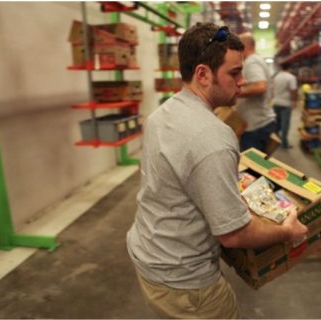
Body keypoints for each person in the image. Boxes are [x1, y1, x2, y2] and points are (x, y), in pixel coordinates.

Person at [126, 23, 308, 319]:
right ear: (202, 74)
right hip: (186, 284)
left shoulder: (162, 114)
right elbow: (234, 236)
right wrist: (286, 231)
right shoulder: (214, 137)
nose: (242, 81)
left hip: (148, 254)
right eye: (234, 72)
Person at [235, 33, 276, 152]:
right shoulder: (256, 60)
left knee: (252, 169)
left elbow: (260, 86)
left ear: (243, 46)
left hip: (256, 127)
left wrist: (234, 92)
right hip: (258, 125)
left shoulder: (251, 61)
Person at [272, 63, 298, 149]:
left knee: (277, 124)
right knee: (285, 124)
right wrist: (294, 102)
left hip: (276, 102)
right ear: (289, 68)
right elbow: (293, 90)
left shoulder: (276, 77)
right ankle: (284, 143)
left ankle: (275, 141)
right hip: (286, 104)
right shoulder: (291, 77)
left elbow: (273, 89)